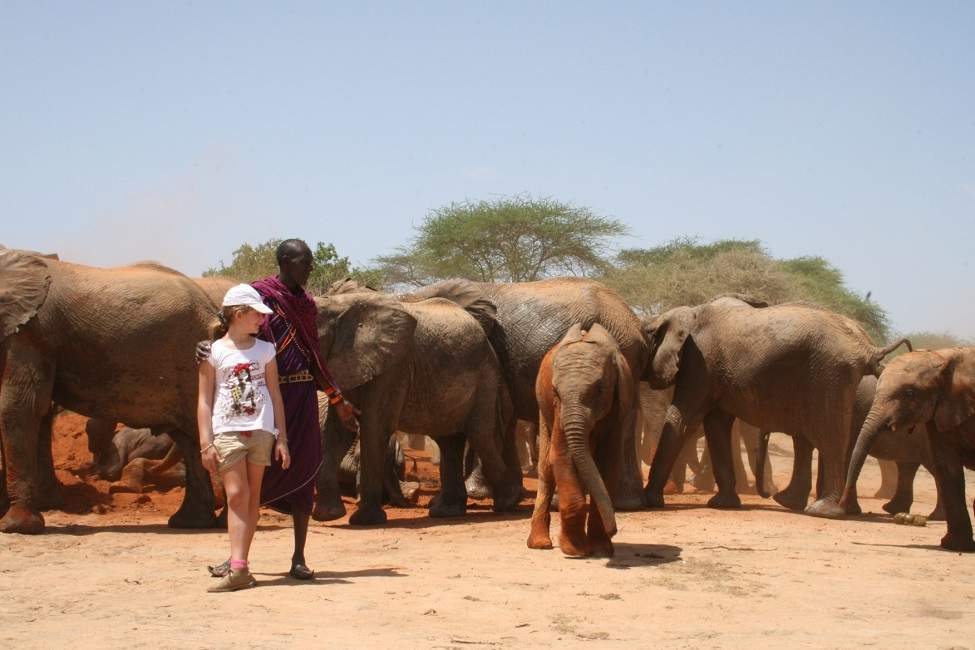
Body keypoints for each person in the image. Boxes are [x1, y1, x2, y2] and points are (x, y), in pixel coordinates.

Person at [200, 238, 360, 581]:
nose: (310, 267)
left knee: (304, 473)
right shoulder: (261, 295)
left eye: (311, 262)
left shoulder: (306, 304)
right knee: (246, 486)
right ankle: (237, 559)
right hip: (258, 399)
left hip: (300, 395)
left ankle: (298, 557)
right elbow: (222, 326)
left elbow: (314, 357)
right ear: (286, 262)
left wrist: (336, 399)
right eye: (305, 262)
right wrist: (205, 346)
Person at [198, 283, 291, 592]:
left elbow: (276, 395)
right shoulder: (212, 352)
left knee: (252, 497)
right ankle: (239, 567)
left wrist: (282, 438)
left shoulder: (266, 350)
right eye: (256, 314)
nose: (261, 320)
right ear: (238, 314)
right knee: (237, 494)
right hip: (226, 431)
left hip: (261, 430)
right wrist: (205, 443)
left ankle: (240, 564)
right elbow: (204, 400)